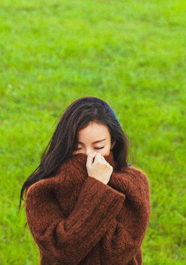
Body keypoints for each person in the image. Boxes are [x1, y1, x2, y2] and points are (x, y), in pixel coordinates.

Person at [20, 97, 150, 264]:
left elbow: (117, 254)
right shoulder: (44, 190)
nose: (88, 156)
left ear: (113, 143)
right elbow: (63, 250)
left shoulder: (133, 183)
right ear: (65, 145)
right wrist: (97, 187)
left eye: (98, 147)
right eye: (77, 147)